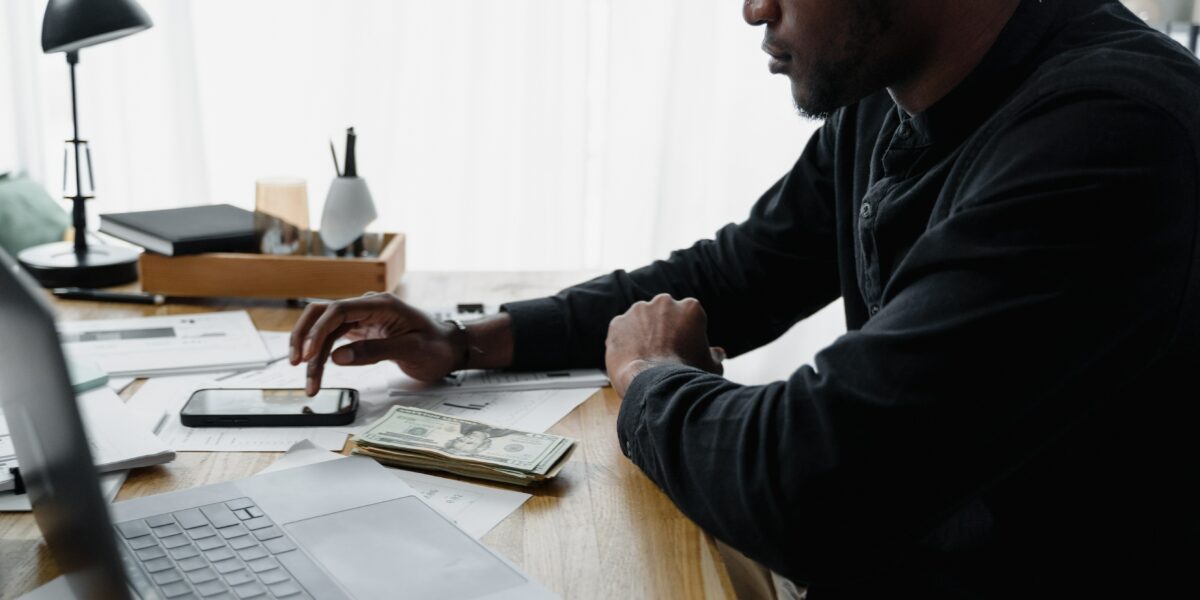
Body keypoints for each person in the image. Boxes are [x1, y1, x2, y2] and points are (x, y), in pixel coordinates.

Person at [291, 0, 1200, 596]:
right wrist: (467, 339)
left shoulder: (1110, 132)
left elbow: (812, 486)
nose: (752, 8)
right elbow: (740, 270)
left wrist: (647, 376)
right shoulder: (890, 93)